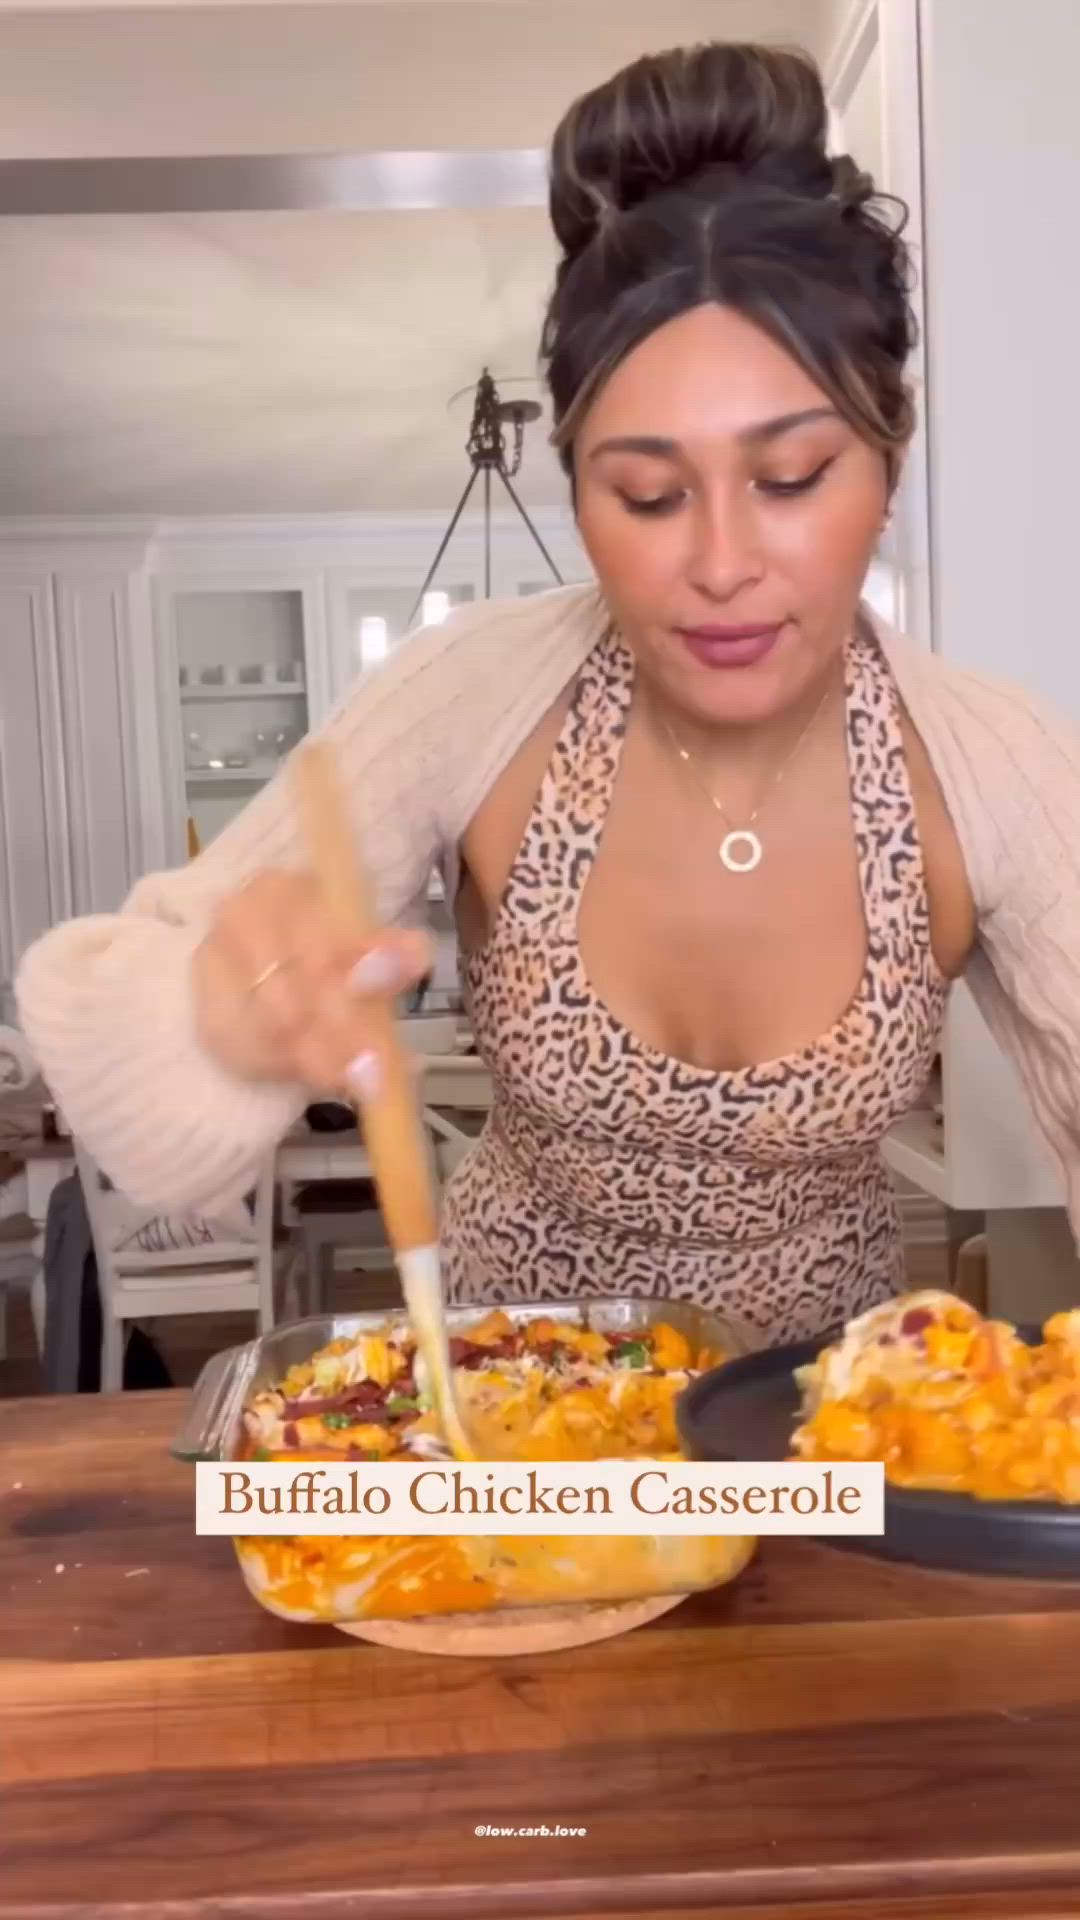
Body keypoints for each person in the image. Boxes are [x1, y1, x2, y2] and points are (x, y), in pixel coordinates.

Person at [16, 42, 1080, 1343]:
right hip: (506, 1413)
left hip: (826, 1442)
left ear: (889, 460)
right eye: (646, 493)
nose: (722, 563)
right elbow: (136, 1011)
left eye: (794, 476)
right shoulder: (466, 695)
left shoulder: (992, 766)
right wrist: (213, 1018)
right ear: (576, 485)